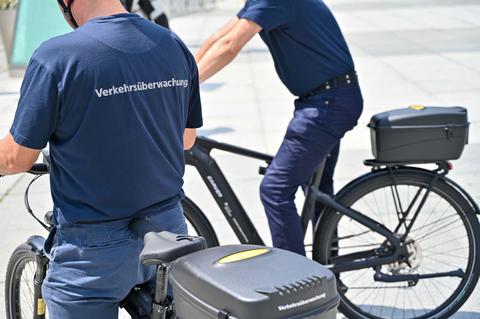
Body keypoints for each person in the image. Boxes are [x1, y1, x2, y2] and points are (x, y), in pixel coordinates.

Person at [0, 0, 202, 318]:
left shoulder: (56, 57)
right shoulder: (171, 43)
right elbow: (186, 139)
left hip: (92, 252)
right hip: (167, 230)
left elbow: (16, 157)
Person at [196, 0, 363, 256]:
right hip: (328, 98)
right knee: (316, 190)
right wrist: (185, 75)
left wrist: (185, 88)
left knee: (275, 190)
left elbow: (230, 46)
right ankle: (328, 277)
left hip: (328, 103)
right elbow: (222, 36)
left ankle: (298, 283)